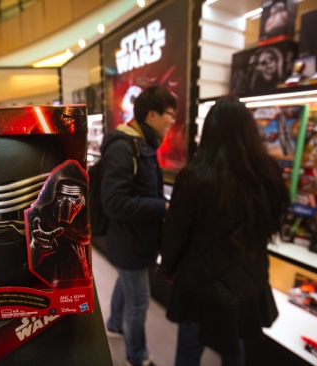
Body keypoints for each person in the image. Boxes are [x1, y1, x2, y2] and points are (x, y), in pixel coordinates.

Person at [160, 97, 290, 366]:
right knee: (234, 348)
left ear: (210, 131)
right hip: (246, 282)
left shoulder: (195, 176)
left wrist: (168, 268)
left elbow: (175, 232)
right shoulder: (266, 174)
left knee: (188, 350)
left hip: (198, 284)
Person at [100, 86, 176, 366]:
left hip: (134, 241)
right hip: (130, 242)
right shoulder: (125, 146)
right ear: (153, 114)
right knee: (140, 301)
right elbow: (114, 202)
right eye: (170, 114)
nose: (172, 121)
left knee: (126, 283)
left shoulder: (140, 142)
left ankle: (114, 324)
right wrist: (163, 207)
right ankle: (137, 355)